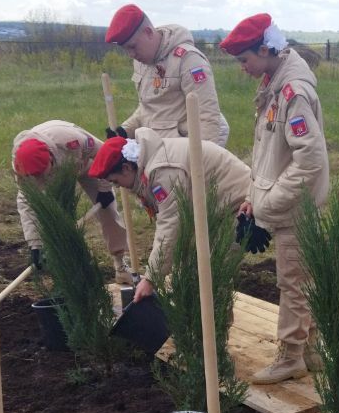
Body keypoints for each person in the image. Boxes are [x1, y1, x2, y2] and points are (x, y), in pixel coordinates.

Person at [220, 13, 330, 384]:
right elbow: (269, 154)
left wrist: (268, 205)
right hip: (280, 203)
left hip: (294, 209)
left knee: (292, 281)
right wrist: (254, 198)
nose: (243, 68)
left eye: (245, 60)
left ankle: (291, 355)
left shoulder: (292, 92)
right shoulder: (273, 84)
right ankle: (311, 347)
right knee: (304, 278)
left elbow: (310, 161)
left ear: (265, 49)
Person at [87, 129, 253, 301]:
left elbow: (170, 225)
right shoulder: (146, 164)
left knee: (212, 272)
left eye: (115, 181)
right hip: (214, 208)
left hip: (239, 205)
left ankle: (216, 326)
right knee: (192, 267)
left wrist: (151, 278)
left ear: (126, 168)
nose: (118, 187)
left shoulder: (163, 171)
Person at [11, 120, 134, 285]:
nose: (39, 180)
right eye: (36, 178)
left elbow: (104, 153)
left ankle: (121, 265)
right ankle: (69, 276)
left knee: (108, 212)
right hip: (57, 179)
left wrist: (104, 189)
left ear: (50, 159)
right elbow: (27, 203)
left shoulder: (71, 139)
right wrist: (35, 245)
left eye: (41, 174)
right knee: (57, 223)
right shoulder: (22, 168)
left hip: (87, 165)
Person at [104, 4, 229, 147]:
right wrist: (125, 130)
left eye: (133, 47)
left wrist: (201, 162)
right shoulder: (141, 62)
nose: (131, 54)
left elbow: (207, 118)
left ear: (148, 32)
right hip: (156, 146)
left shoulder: (189, 60)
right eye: (126, 49)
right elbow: (148, 107)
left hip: (184, 149)